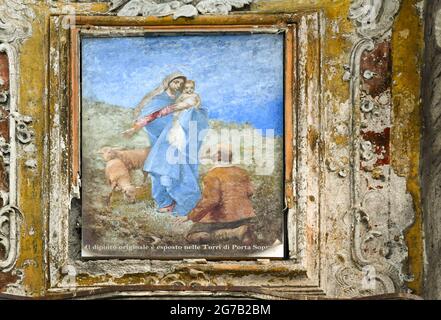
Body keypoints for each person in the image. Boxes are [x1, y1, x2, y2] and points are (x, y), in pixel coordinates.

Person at [123, 73, 208, 215]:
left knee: (181, 169)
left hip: (179, 140)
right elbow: (154, 115)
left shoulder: (189, 98)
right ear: (168, 82)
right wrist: (135, 128)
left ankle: (181, 201)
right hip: (164, 141)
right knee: (161, 168)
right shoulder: (159, 100)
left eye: (182, 83)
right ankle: (165, 202)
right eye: (176, 82)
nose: (179, 86)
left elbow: (193, 113)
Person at [186, 145, 256, 244]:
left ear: (217, 157)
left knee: (192, 236)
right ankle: (242, 232)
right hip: (244, 216)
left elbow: (211, 200)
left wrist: (191, 216)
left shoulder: (212, 175)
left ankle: (234, 232)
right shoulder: (242, 172)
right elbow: (250, 192)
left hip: (222, 218)